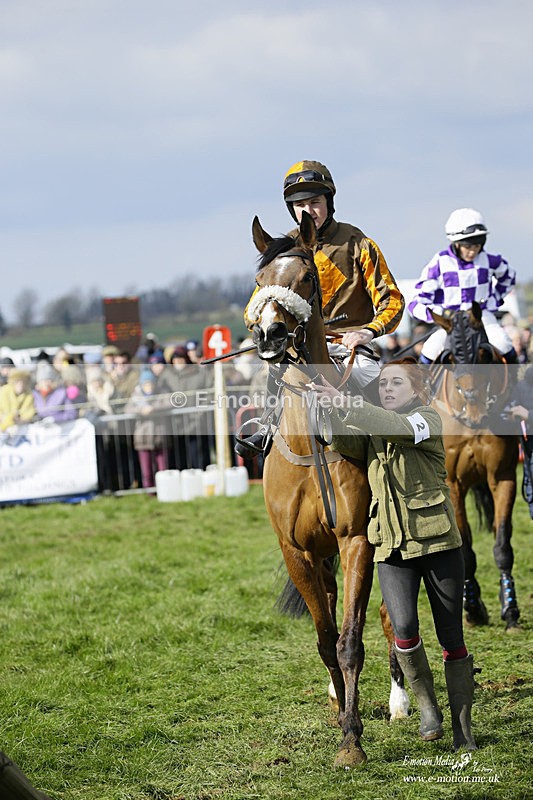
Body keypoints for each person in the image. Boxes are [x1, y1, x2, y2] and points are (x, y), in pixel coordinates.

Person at [311, 359, 477, 751]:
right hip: (390, 546)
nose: (386, 388)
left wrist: (347, 403)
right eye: (382, 383)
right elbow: (341, 439)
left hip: (438, 545)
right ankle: (427, 709)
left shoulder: (427, 420)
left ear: (416, 390)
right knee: (403, 632)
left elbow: (397, 429)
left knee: (451, 638)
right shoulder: (373, 426)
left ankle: (463, 729)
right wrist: (325, 410)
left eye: (395, 382)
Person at [237, 159, 405, 456]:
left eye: (315, 202)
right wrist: (265, 328)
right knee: (275, 375)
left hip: (351, 348)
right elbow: (256, 305)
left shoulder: (358, 243)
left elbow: (392, 299)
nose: (308, 211)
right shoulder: (282, 250)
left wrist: (367, 332)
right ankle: (265, 428)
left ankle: (392, 454)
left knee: (373, 383)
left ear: (329, 202)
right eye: (300, 204)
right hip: (299, 345)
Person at [408, 208, 517, 363]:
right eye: (468, 246)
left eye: (477, 245)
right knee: (429, 351)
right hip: (451, 324)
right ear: (456, 243)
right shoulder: (439, 262)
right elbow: (415, 303)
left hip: (481, 318)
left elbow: (509, 278)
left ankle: (516, 383)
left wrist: (492, 301)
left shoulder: (492, 260)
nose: (473, 251)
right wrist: (441, 313)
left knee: (504, 344)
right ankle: (419, 387)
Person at [125, 368, 172, 489]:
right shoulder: (136, 396)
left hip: (159, 435)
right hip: (143, 437)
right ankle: (150, 491)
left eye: (150, 383)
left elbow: (170, 402)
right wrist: (141, 410)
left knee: (163, 467)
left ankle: (165, 489)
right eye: (146, 384)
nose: (149, 386)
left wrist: (153, 408)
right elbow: (127, 409)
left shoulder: (161, 393)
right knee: (147, 469)